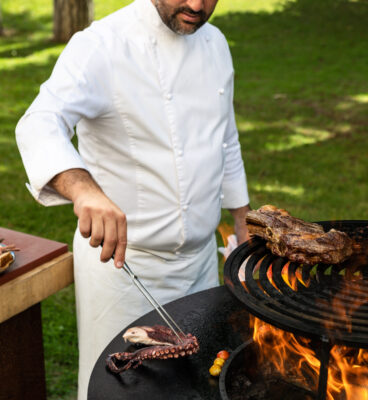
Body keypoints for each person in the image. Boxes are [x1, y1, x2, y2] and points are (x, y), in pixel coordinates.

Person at [16, 0, 250, 398]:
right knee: (125, 390)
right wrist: (83, 188)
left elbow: (225, 140)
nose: (196, 4)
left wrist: (243, 228)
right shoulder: (100, 46)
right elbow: (39, 123)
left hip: (200, 266)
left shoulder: (215, 44)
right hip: (125, 273)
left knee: (200, 388)